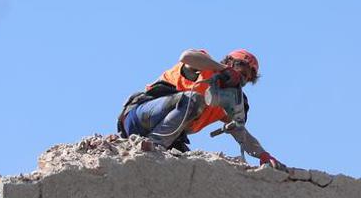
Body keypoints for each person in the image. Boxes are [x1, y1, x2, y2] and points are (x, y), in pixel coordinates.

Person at [116, 48, 283, 168]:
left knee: (183, 165)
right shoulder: (205, 66)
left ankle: (155, 149)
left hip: (170, 134)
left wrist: (262, 154)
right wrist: (223, 70)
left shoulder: (228, 100)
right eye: (241, 71)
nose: (242, 78)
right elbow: (186, 56)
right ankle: (152, 147)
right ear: (229, 62)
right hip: (140, 117)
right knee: (195, 99)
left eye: (246, 78)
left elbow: (239, 130)